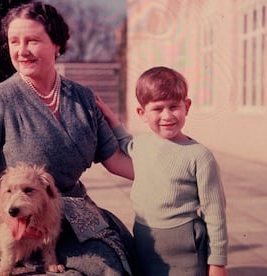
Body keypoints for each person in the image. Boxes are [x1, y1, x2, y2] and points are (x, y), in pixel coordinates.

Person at [0, 2, 135, 275]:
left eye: (33, 40)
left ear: (58, 45)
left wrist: (173, 172)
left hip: (76, 214)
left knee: (127, 256)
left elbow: (116, 161)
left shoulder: (83, 98)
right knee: (101, 268)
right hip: (24, 224)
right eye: (14, 41)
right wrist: (7, 212)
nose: (21, 50)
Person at [96, 66, 228, 276]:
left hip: (186, 246)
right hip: (145, 237)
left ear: (187, 106)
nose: (167, 115)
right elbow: (124, 142)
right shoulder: (141, 145)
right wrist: (113, 120)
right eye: (157, 109)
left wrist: (218, 262)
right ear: (142, 113)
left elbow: (215, 213)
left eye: (174, 106)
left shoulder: (200, 156)